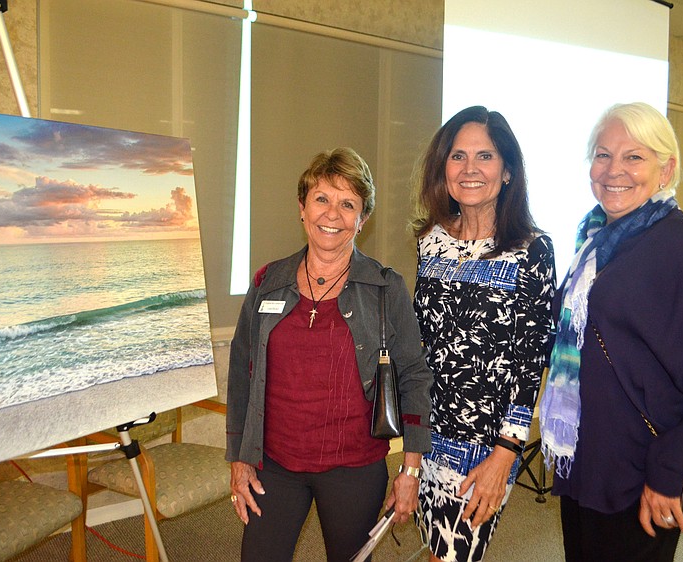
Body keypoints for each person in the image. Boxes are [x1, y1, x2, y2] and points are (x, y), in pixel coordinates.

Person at [539, 102, 683, 562]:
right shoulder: (595, 239)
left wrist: (671, 468)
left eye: (634, 156)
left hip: (639, 473)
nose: (614, 169)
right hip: (587, 463)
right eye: (602, 154)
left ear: (666, 169)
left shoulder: (681, 248)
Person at [226, 147, 433, 562]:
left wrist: (410, 471)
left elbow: (413, 376)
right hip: (276, 465)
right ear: (302, 208)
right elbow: (241, 372)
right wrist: (240, 457)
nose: (332, 214)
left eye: (348, 204)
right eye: (322, 199)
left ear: (362, 219)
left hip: (353, 469)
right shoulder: (268, 281)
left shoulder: (385, 288)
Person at [412, 106, 557, 561]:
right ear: (443, 168)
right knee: (432, 548)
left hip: (483, 444)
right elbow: (424, 342)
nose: (470, 169)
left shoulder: (533, 250)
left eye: (486, 156)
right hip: (427, 435)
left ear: (508, 171)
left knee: (452, 555)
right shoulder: (430, 240)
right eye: (458, 156)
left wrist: (506, 454)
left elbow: (531, 362)